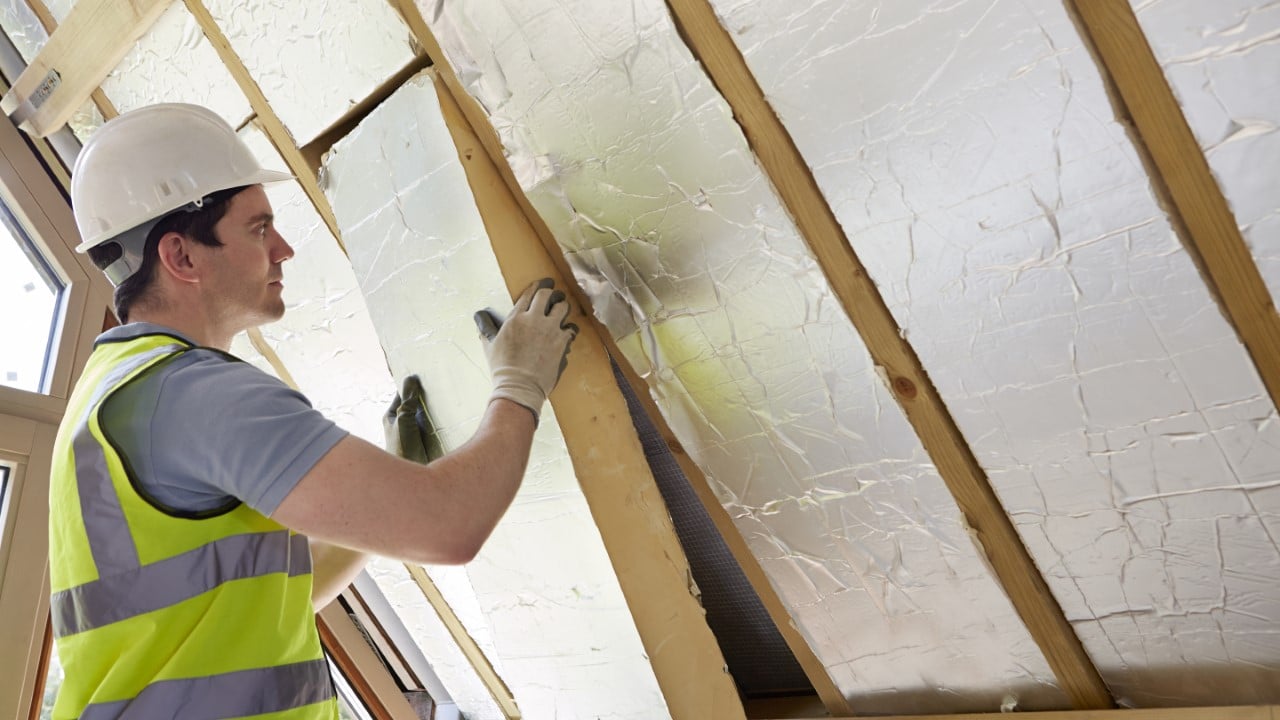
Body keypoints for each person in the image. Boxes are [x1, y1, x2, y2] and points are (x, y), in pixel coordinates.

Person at [47, 103, 577, 719]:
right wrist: (519, 384)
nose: (285, 248)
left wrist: (386, 485)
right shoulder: (194, 395)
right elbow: (449, 526)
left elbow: (277, 601)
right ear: (182, 257)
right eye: (257, 228)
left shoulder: (109, 393)